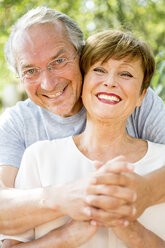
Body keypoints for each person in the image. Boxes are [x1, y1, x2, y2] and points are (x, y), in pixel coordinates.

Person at [0, 6, 165, 246]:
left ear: (81, 55)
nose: (48, 83)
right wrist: (64, 200)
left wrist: (144, 192)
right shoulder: (22, 130)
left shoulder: (135, 99)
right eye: (31, 70)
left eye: (59, 61)